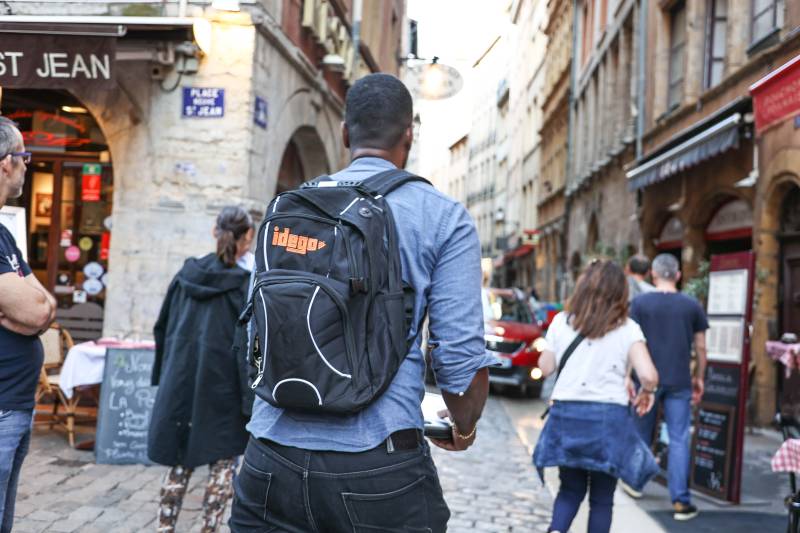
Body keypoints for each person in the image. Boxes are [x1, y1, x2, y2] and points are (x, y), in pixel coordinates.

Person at [230, 73, 494, 532]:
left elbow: (255, 331)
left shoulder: (290, 207)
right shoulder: (443, 218)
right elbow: (458, 359)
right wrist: (463, 426)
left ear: (345, 132)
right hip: (377, 463)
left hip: (269, 457)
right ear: (409, 135)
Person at [149, 206, 255, 533]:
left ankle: (164, 528)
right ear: (248, 238)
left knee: (179, 464)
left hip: (181, 382)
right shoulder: (245, 284)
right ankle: (209, 528)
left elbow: (162, 327)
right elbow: (249, 343)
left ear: (214, 231)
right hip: (223, 385)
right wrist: (249, 397)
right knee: (223, 466)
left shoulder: (186, 275)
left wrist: (164, 377)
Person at [534, 260, 659, 533]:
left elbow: (545, 368)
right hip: (608, 418)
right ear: (620, 293)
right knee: (602, 500)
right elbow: (649, 375)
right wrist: (646, 393)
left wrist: (551, 344)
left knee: (569, 491)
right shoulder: (628, 328)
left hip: (567, 415)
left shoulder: (561, 322)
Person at [0, 117, 56, 533]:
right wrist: (29, 310)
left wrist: (26, 310)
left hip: (15, 404)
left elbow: (43, 305)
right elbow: (38, 314)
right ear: (6, 164)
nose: (27, 165)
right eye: (24, 157)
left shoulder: (4, 235)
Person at [627, 253, 708, 521]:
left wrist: (628, 376)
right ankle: (681, 501)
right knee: (679, 439)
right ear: (678, 275)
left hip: (646, 379)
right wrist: (700, 376)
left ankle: (635, 483)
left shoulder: (639, 303)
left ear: (653, 274)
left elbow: (631, 343)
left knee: (641, 433)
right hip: (679, 380)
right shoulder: (691, 305)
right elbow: (701, 347)